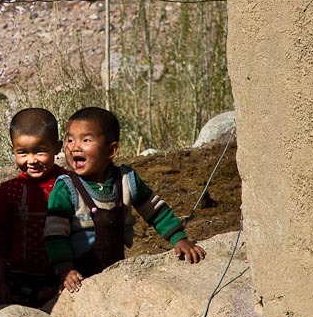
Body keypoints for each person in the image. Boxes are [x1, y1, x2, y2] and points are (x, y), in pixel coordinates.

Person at [45, 106, 206, 293]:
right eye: (70, 139)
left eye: (86, 140)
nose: (74, 147)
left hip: (115, 274)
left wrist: (179, 239)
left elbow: (156, 211)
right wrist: (65, 269)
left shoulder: (125, 180)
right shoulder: (66, 188)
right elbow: (55, 235)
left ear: (111, 150)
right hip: (78, 281)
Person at [0, 108, 65, 307]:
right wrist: (1, 282)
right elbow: (0, 239)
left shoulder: (68, 184)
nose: (32, 160)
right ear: (12, 148)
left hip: (61, 279)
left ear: (57, 148)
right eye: (22, 152)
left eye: (40, 151)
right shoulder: (9, 191)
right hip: (18, 282)